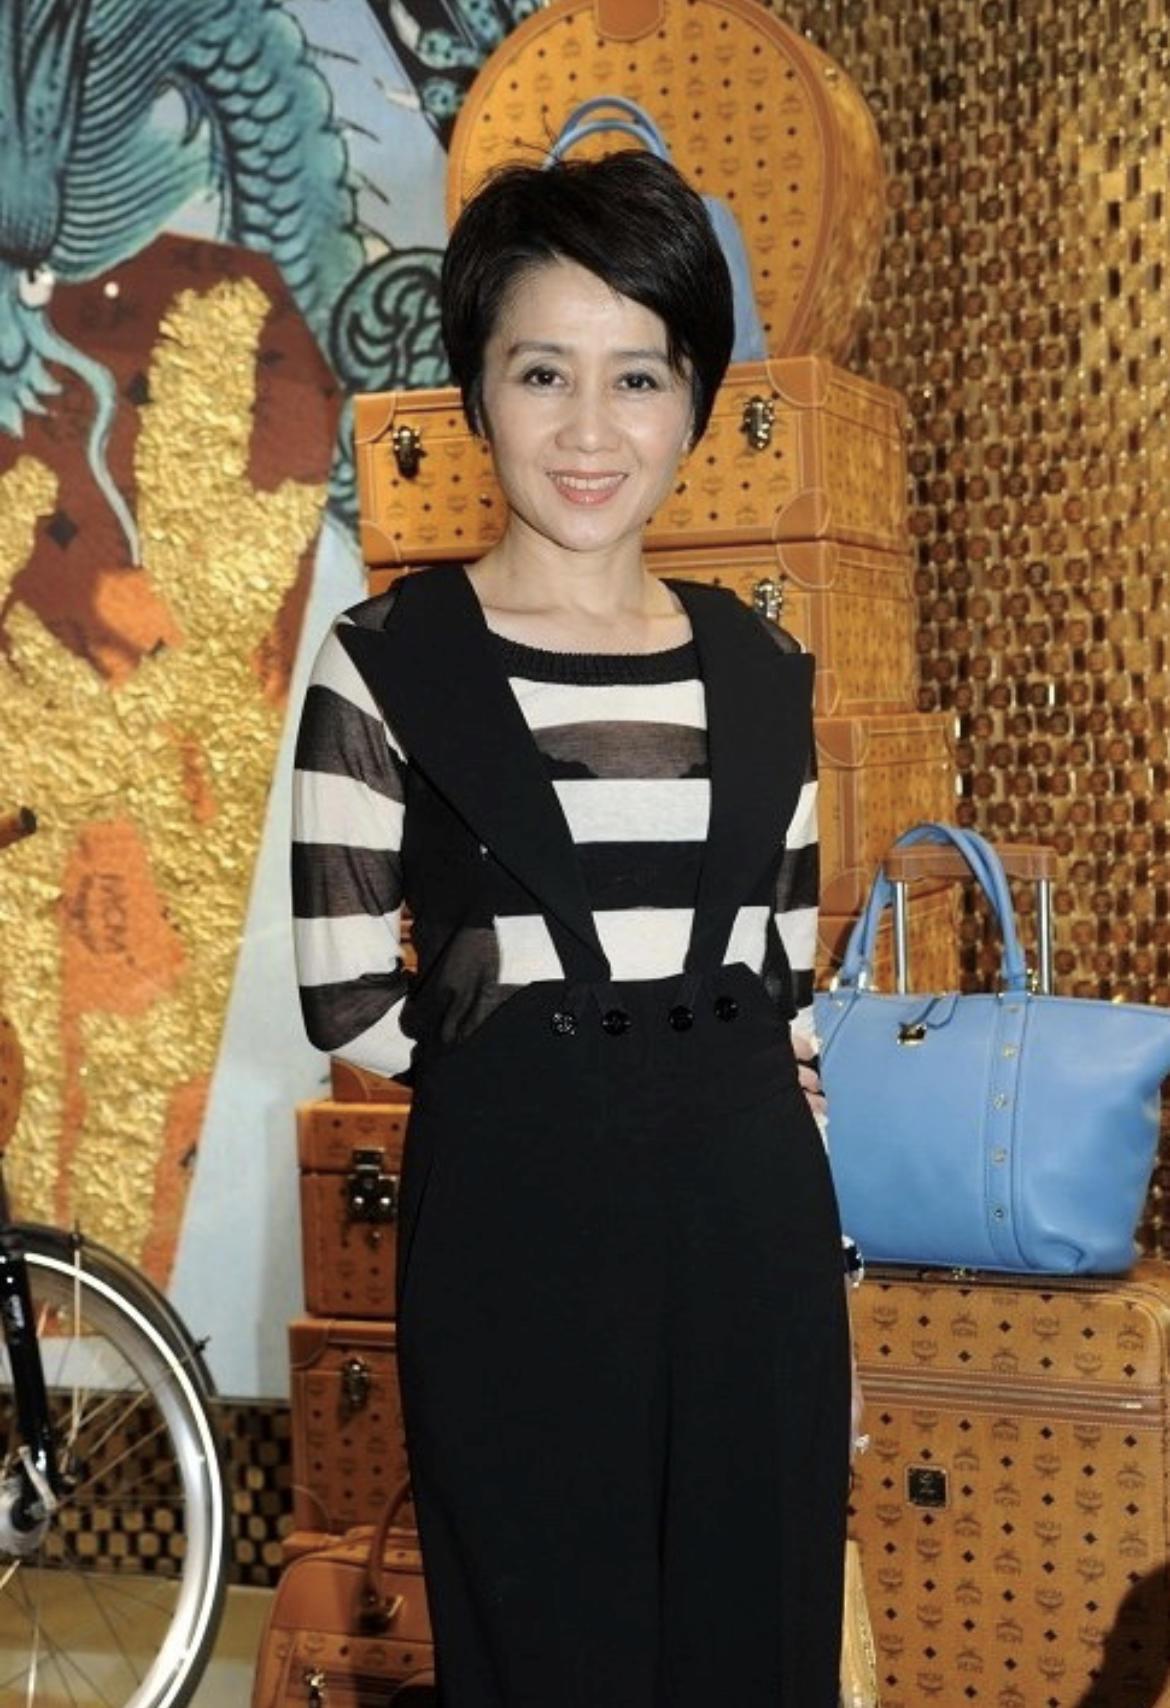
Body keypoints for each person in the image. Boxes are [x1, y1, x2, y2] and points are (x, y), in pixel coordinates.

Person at [291, 148, 864, 1707]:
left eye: (639, 377)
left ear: (695, 402)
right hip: (516, 1233)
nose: (591, 429)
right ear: (476, 394)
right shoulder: (384, 658)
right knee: (546, 1647)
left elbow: (781, 980)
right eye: (542, 372)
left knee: (756, 1650)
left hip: (750, 1230)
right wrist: (547, 1072)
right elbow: (345, 1003)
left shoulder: (763, 670)